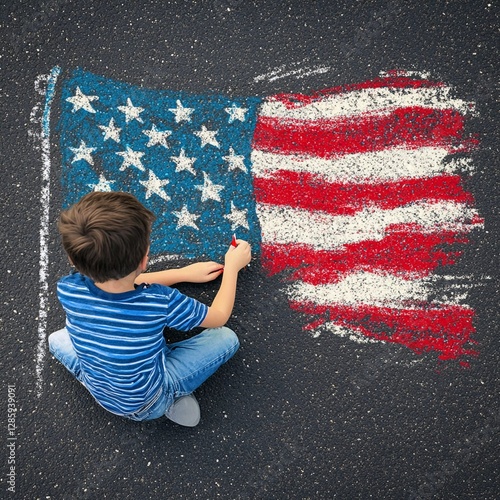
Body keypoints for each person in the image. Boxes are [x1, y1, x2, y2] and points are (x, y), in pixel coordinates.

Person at [48, 191, 251, 427]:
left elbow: (121, 284)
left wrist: (182, 274)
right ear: (144, 261)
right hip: (148, 400)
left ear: (74, 261)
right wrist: (233, 267)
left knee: (57, 339)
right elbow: (219, 317)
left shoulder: (68, 287)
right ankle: (168, 400)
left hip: (99, 388)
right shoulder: (157, 302)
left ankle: (108, 387)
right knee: (226, 338)